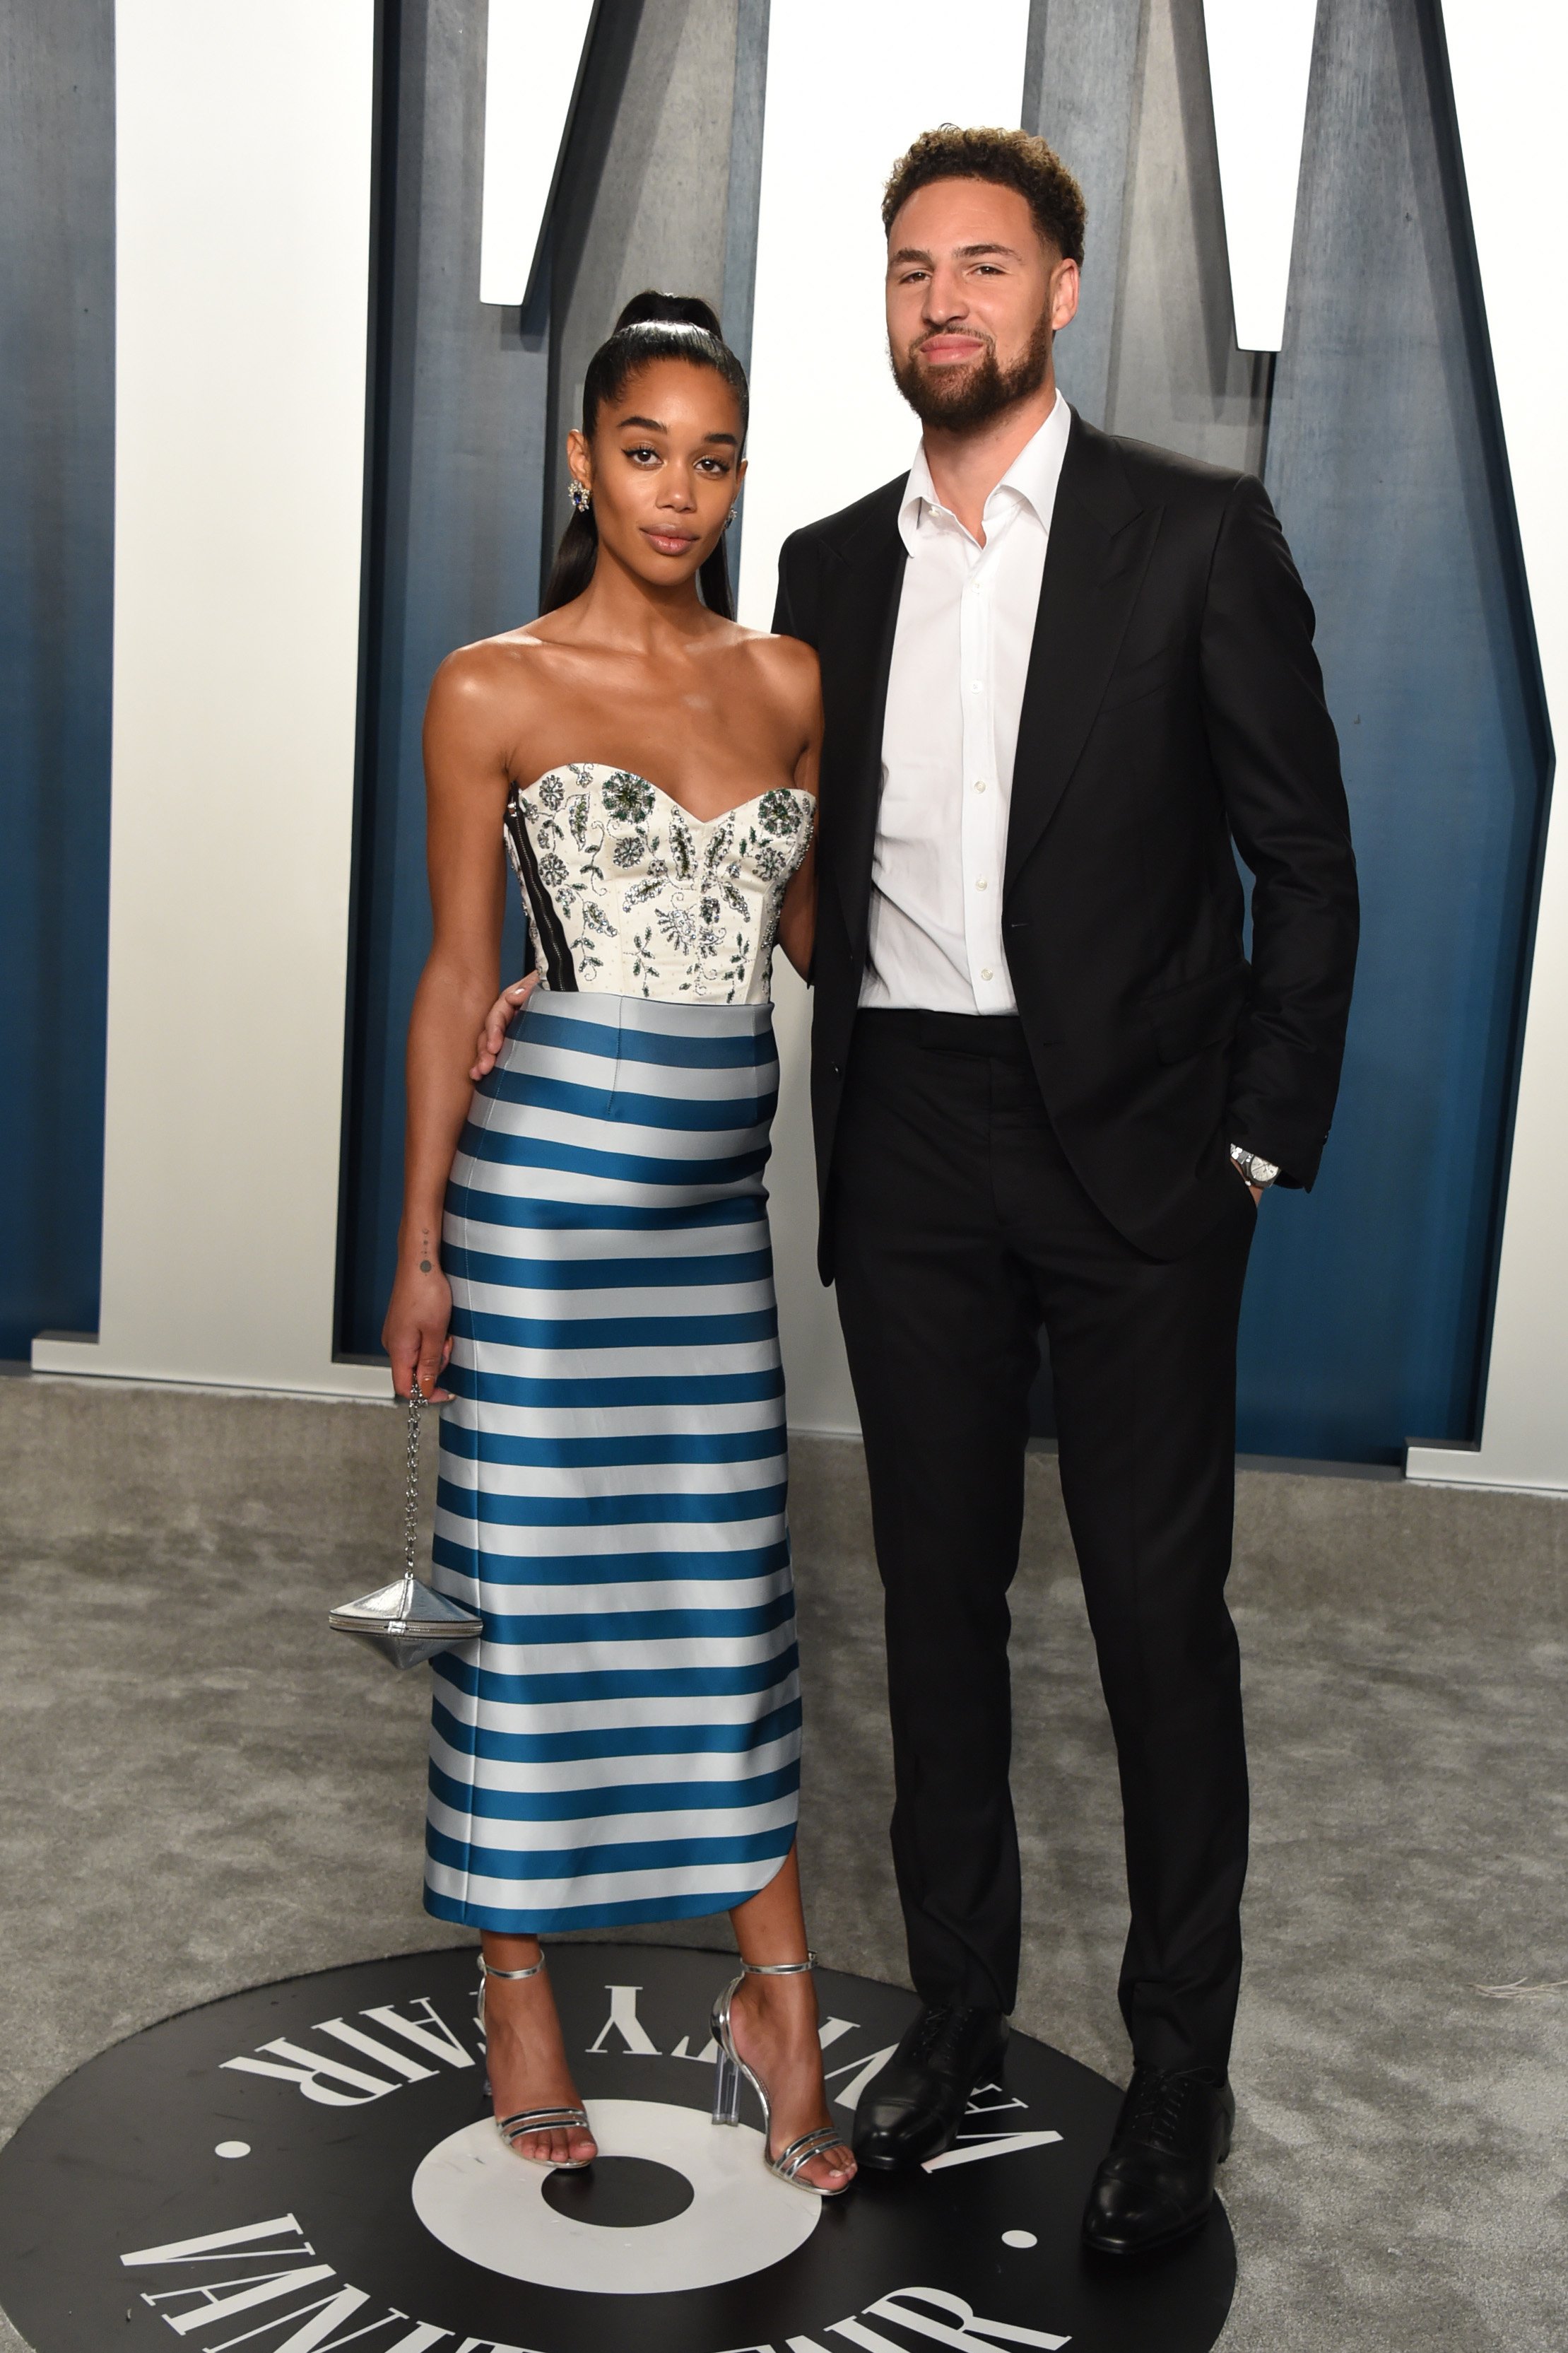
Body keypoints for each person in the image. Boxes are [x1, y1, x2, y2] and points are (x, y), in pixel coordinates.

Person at [480, 129, 1359, 2255]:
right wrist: (583, 966)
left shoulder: (1193, 536)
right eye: (905, 270)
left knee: (1157, 1630)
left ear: (1061, 292)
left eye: (979, 265)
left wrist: (1251, 1144)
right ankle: (959, 2013)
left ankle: (1173, 2084)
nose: (938, 300)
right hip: (917, 1146)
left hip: (1143, 1158)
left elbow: (1304, 864)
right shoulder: (827, 568)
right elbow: (786, 873)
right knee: (937, 1616)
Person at [382, 291, 854, 2197]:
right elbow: (451, 978)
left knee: (727, 1606)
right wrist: (418, 1246)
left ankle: (776, 2001)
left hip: (710, 1221)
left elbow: (833, 943)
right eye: (643, 449)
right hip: (546, 1217)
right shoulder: (487, 685)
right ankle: (515, 1978)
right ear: (580, 461)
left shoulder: (790, 678)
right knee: (530, 1606)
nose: (678, 489)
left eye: (714, 455)